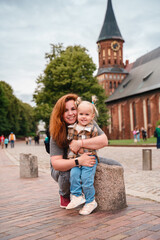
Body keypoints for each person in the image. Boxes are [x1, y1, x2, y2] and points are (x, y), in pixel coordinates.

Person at [50, 93, 121, 212]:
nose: (71, 113)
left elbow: (104, 140)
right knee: (68, 173)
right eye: (66, 110)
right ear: (60, 114)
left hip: (86, 156)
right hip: (65, 164)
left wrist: (80, 144)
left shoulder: (88, 122)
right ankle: (66, 194)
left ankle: (84, 192)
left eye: (73, 109)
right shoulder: (57, 132)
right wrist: (78, 161)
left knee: (116, 165)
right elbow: (56, 164)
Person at [66, 100, 99, 215]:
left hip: (89, 158)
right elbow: (70, 142)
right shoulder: (72, 128)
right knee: (74, 176)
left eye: (87, 114)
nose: (83, 117)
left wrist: (81, 145)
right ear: (77, 115)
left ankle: (90, 201)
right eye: (81, 114)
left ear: (92, 116)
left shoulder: (93, 129)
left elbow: (96, 143)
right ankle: (77, 196)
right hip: (76, 158)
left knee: (86, 180)